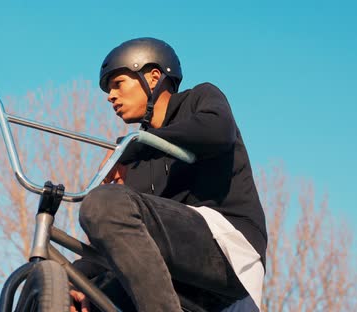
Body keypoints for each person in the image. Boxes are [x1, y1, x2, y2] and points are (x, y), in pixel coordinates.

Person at [69, 37, 268, 312]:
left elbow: (218, 131)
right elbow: (125, 236)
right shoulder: (136, 163)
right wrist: (71, 276)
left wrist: (131, 147)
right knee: (87, 294)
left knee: (105, 202)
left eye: (118, 84)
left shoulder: (199, 100)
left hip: (228, 254)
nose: (110, 96)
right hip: (176, 277)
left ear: (153, 77)